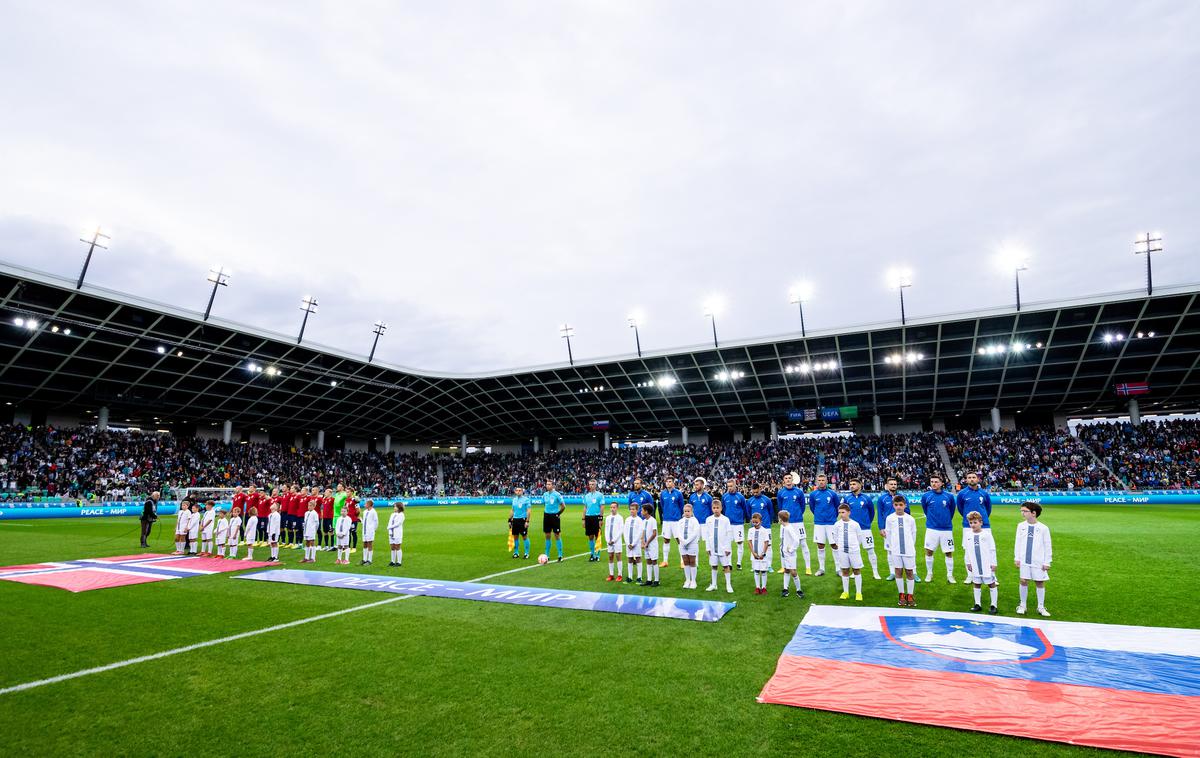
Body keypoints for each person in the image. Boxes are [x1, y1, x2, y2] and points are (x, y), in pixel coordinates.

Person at [876, 477, 919, 583]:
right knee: (890, 550)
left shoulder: (903, 497)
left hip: (903, 527)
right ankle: (892, 573)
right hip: (889, 528)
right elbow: (880, 515)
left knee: (910, 549)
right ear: (887, 485)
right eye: (891, 484)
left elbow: (908, 511)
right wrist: (881, 527)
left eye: (895, 484)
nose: (893, 486)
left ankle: (914, 572)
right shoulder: (882, 499)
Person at [1014, 502, 1052, 617]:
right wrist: (1017, 558)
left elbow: (1047, 545)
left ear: (1034, 513)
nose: (1022, 513)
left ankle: (1041, 607)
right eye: (1021, 511)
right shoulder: (1021, 526)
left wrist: (1047, 561)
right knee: (1023, 580)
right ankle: (1023, 605)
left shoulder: (1043, 528)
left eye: (1025, 511)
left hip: (1038, 560)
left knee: (1039, 582)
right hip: (1024, 559)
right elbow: (1018, 542)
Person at [956, 472, 994, 585]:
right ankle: (970, 575)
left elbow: (988, 509)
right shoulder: (962, 493)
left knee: (988, 549)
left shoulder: (984, 493)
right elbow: (960, 509)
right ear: (966, 480)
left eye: (973, 477)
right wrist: (971, 520)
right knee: (968, 550)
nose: (971, 479)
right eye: (969, 478)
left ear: (977, 479)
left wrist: (982, 520)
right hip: (968, 526)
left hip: (984, 525)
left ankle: (992, 575)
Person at [921, 475, 957, 583]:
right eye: (932, 481)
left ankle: (950, 575)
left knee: (948, 552)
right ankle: (929, 573)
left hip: (946, 529)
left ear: (941, 483)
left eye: (936, 482)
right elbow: (925, 510)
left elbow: (952, 511)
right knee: (929, 551)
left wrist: (945, 521)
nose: (933, 484)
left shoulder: (949, 496)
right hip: (932, 529)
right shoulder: (926, 496)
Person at [843, 478, 881, 580]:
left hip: (865, 529)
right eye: (850, 484)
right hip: (851, 530)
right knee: (852, 551)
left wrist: (866, 523)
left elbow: (871, 513)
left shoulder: (866, 498)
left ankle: (875, 572)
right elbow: (844, 513)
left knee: (871, 550)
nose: (851, 486)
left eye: (854, 484)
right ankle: (854, 572)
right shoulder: (847, 499)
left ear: (860, 485)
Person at [885, 495, 918, 607]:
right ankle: (901, 595)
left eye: (901, 505)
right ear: (893, 505)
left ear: (905, 505)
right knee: (898, 571)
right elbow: (888, 534)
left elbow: (913, 534)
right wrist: (893, 546)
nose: (898, 507)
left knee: (909, 572)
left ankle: (910, 595)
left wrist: (910, 546)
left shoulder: (910, 519)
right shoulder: (890, 518)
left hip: (909, 550)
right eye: (896, 505)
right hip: (896, 550)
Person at [964, 511, 998, 614]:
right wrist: (968, 562)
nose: (972, 525)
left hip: (986, 564)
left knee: (991, 583)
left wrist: (994, 563)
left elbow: (992, 549)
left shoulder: (986, 535)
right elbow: (967, 549)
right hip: (974, 564)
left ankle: (993, 605)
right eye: (971, 523)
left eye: (975, 522)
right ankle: (977, 604)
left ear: (981, 522)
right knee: (976, 583)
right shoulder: (967, 534)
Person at [830, 503, 864, 601]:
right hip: (842, 551)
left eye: (843, 512)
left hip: (854, 551)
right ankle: (845, 592)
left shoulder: (855, 524)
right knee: (844, 570)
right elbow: (835, 537)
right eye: (840, 512)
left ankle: (858, 593)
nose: (841, 514)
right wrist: (839, 545)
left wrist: (855, 546)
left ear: (849, 512)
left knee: (856, 570)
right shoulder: (837, 524)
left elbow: (859, 538)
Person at [808, 473, 840, 577]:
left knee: (834, 545)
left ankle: (838, 569)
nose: (821, 482)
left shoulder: (832, 494)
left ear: (826, 481)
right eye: (819, 480)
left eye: (823, 480)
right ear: (817, 482)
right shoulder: (813, 494)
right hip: (819, 523)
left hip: (831, 523)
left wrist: (832, 517)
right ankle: (821, 568)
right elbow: (813, 508)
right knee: (820, 545)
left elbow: (837, 507)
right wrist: (819, 516)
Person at [703, 499, 734, 594]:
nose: (716, 510)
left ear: (721, 508)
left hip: (723, 547)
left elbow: (729, 534)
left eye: (717, 508)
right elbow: (707, 534)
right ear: (711, 509)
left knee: (726, 566)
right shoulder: (708, 520)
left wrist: (728, 547)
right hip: (712, 548)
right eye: (714, 508)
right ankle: (713, 584)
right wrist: (707, 547)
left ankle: (728, 585)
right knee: (714, 566)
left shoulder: (725, 519)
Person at [657, 476, 685, 569]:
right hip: (666, 520)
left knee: (679, 540)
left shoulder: (678, 493)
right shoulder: (663, 494)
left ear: (673, 483)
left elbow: (682, 507)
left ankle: (682, 561)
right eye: (667, 481)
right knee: (666, 540)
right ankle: (665, 561)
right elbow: (662, 505)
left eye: (670, 481)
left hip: (676, 520)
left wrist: (680, 517)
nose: (668, 483)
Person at [722, 479, 749, 570]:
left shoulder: (740, 497)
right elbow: (724, 509)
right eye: (728, 486)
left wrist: (743, 519)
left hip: (738, 524)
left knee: (739, 543)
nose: (729, 488)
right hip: (728, 524)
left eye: (731, 486)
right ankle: (729, 563)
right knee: (727, 544)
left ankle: (739, 563)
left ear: (735, 486)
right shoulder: (724, 496)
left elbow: (745, 509)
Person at [777, 510, 804, 599]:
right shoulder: (783, 527)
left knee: (793, 571)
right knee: (786, 570)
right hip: (783, 553)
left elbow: (796, 540)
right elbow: (783, 539)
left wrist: (791, 549)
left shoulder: (789, 528)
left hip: (790, 554)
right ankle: (785, 589)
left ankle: (799, 590)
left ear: (781, 519)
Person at [678, 502, 702, 589]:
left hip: (692, 544)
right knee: (685, 562)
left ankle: (693, 580)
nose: (686, 513)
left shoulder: (695, 521)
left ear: (691, 512)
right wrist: (683, 541)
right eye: (685, 511)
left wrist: (687, 541)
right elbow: (678, 532)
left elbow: (695, 533)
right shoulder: (680, 521)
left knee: (692, 562)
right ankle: (687, 580)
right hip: (682, 544)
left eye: (688, 511)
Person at [747, 512, 771, 595]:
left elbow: (766, 542)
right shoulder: (750, 530)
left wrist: (763, 553)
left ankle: (764, 588)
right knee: (756, 570)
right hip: (754, 555)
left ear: (760, 521)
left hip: (762, 555)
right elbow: (749, 542)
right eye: (753, 522)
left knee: (763, 571)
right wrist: (753, 553)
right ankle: (757, 587)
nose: (754, 524)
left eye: (756, 522)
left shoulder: (764, 531)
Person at [542, 478, 566, 563]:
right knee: (547, 535)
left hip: (555, 516)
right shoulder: (544, 494)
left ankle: (560, 555)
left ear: (553, 486)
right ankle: (547, 555)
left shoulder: (557, 495)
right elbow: (545, 504)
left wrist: (558, 514)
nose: (547, 486)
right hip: (546, 516)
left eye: (549, 484)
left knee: (557, 535)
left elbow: (563, 506)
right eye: (547, 484)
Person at [582, 479, 604, 562]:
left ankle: (597, 554)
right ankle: (592, 554)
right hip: (588, 518)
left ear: (596, 485)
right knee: (590, 536)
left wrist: (600, 519)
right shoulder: (586, 496)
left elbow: (602, 507)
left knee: (597, 536)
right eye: (590, 484)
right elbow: (585, 508)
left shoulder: (600, 495)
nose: (591, 486)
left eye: (593, 484)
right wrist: (583, 519)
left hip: (596, 517)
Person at [604, 502, 624, 582]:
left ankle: (620, 575)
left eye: (614, 507)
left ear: (617, 508)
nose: (612, 509)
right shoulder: (608, 518)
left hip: (617, 541)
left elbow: (621, 530)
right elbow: (606, 529)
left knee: (618, 556)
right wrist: (607, 540)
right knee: (610, 556)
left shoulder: (620, 518)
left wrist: (614, 540)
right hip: (609, 541)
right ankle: (611, 574)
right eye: (611, 507)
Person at [623, 502, 644, 584]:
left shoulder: (639, 520)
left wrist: (633, 543)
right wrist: (628, 543)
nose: (632, 511)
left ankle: (639, 577)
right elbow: (625, 532)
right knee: (629, 559)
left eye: (633, 509)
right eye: (631, 509)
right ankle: (630, 577)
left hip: (636, 543)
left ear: (637, 510)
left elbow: (639, 533)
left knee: (638, 558)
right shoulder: (627, 519)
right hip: (629, 543)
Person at [640, 504, 660, 587]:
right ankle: (649, 579)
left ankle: (656, 580)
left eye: (642, 510)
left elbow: (654, 533)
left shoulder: (653, 520)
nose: (641, 512)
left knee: (654, 561)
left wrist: (647, 542)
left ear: (646, 511)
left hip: (652, 544)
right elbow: (643, 532)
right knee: (648, 561)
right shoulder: (644, 521)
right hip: (646, 545)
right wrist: (642, 542)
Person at [510, 486, 531, 559]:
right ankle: (516, 553)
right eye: (517, 490)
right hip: (515, 520)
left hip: (523, 520)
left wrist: (527, 521)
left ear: (522, 492)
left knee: (524, 537)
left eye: (520, 490)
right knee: (515, 537)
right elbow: (512, 510)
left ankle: (526, 553)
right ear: (515, 492)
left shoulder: (526, 500)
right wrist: (510, 520)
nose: (518, 491)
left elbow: (528, 511)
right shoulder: (514, 500)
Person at [360, 499, 378, 566]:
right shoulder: (365, 511)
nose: (364, 505)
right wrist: (361, 521)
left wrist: (374, 529)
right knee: (364, 544)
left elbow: (376, 521)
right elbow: (365, 521)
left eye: (366, 503)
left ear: (369, 505)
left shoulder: (373, 512)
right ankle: (364, 559)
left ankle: (369, 560)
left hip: (370, 530)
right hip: (364, 530)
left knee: (369, 544)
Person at [387, 503, 406, 567]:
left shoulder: (401, 515)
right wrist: (389, 530)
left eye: (395, 507)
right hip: (391, 532)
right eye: (394, 507)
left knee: (397, 547)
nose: (394, 508)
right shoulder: (392, 514)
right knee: (392, 547)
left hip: (397, 532)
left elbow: (398, 523)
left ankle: (399, 562)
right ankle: (392, 561)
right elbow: (389, 522)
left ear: (399, 507)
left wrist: (390, 527)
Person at [302, 499, 320, 564]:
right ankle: (306, 557)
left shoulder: (315, 513)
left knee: (312, 542)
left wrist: (314, 530)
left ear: (314, 506)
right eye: (308, 505)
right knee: (307, 542)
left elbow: (317, 523)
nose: (309, 507)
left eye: (310, 505)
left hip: (311, 530)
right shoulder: (306, 513)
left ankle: (313, 558)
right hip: (306, 530)